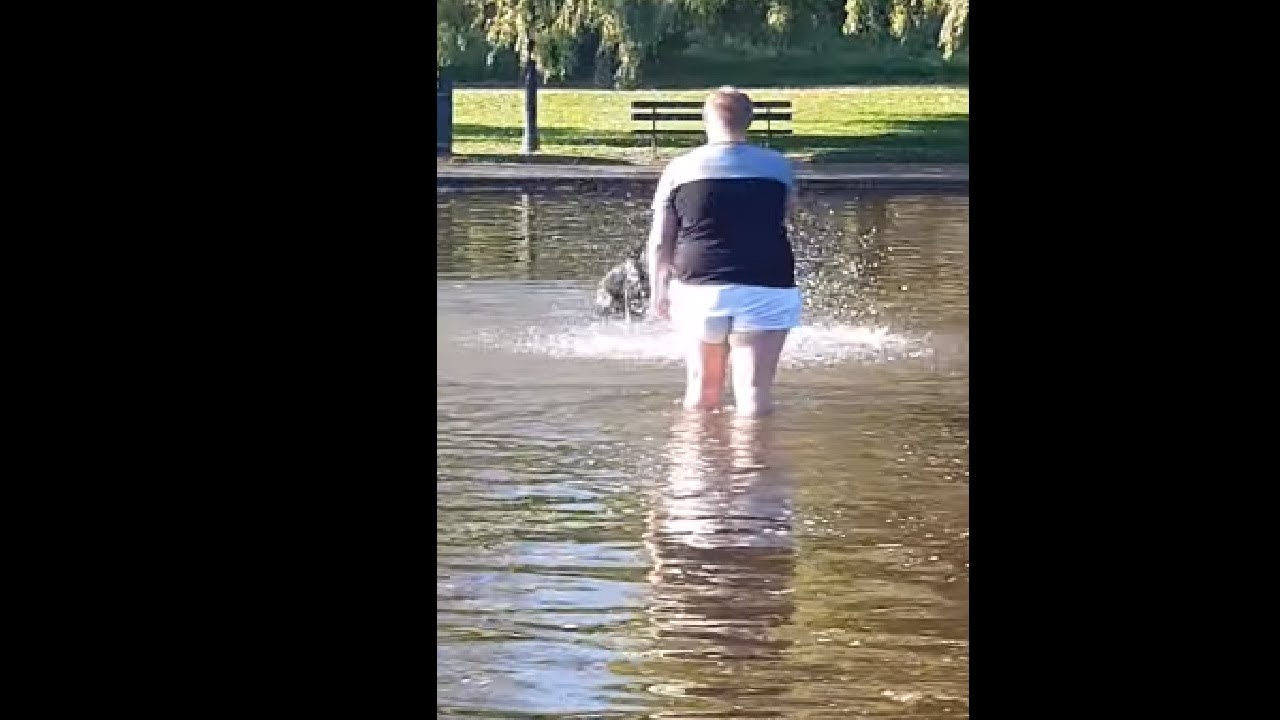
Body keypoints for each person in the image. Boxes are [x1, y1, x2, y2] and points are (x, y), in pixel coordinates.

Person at [646, 87, 801, 415]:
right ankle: (753, 464)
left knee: (701, 389)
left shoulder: (679, 169)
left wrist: (657, 290)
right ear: (749, 121)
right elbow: (788, 216)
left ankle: (697, 465)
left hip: (698, 288)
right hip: (767, 284)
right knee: (755, 393)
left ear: (706, 120)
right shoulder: (779, 168)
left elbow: (661, 240)